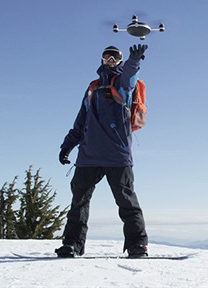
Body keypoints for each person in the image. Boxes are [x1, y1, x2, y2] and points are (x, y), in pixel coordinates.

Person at [55, 44, 149, 258]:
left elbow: (130, 76)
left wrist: (135, 61)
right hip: (88, 156)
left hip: (117, 154)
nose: (110, 60)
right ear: (101, 60)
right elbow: (81, 121)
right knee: (78, 202)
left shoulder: (123, 84)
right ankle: (72, 245)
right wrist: (67, 146)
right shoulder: (92, 87)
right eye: (106, 56)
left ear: (120, 60)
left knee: (126, 202)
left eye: (115, 57)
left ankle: (137, 246)